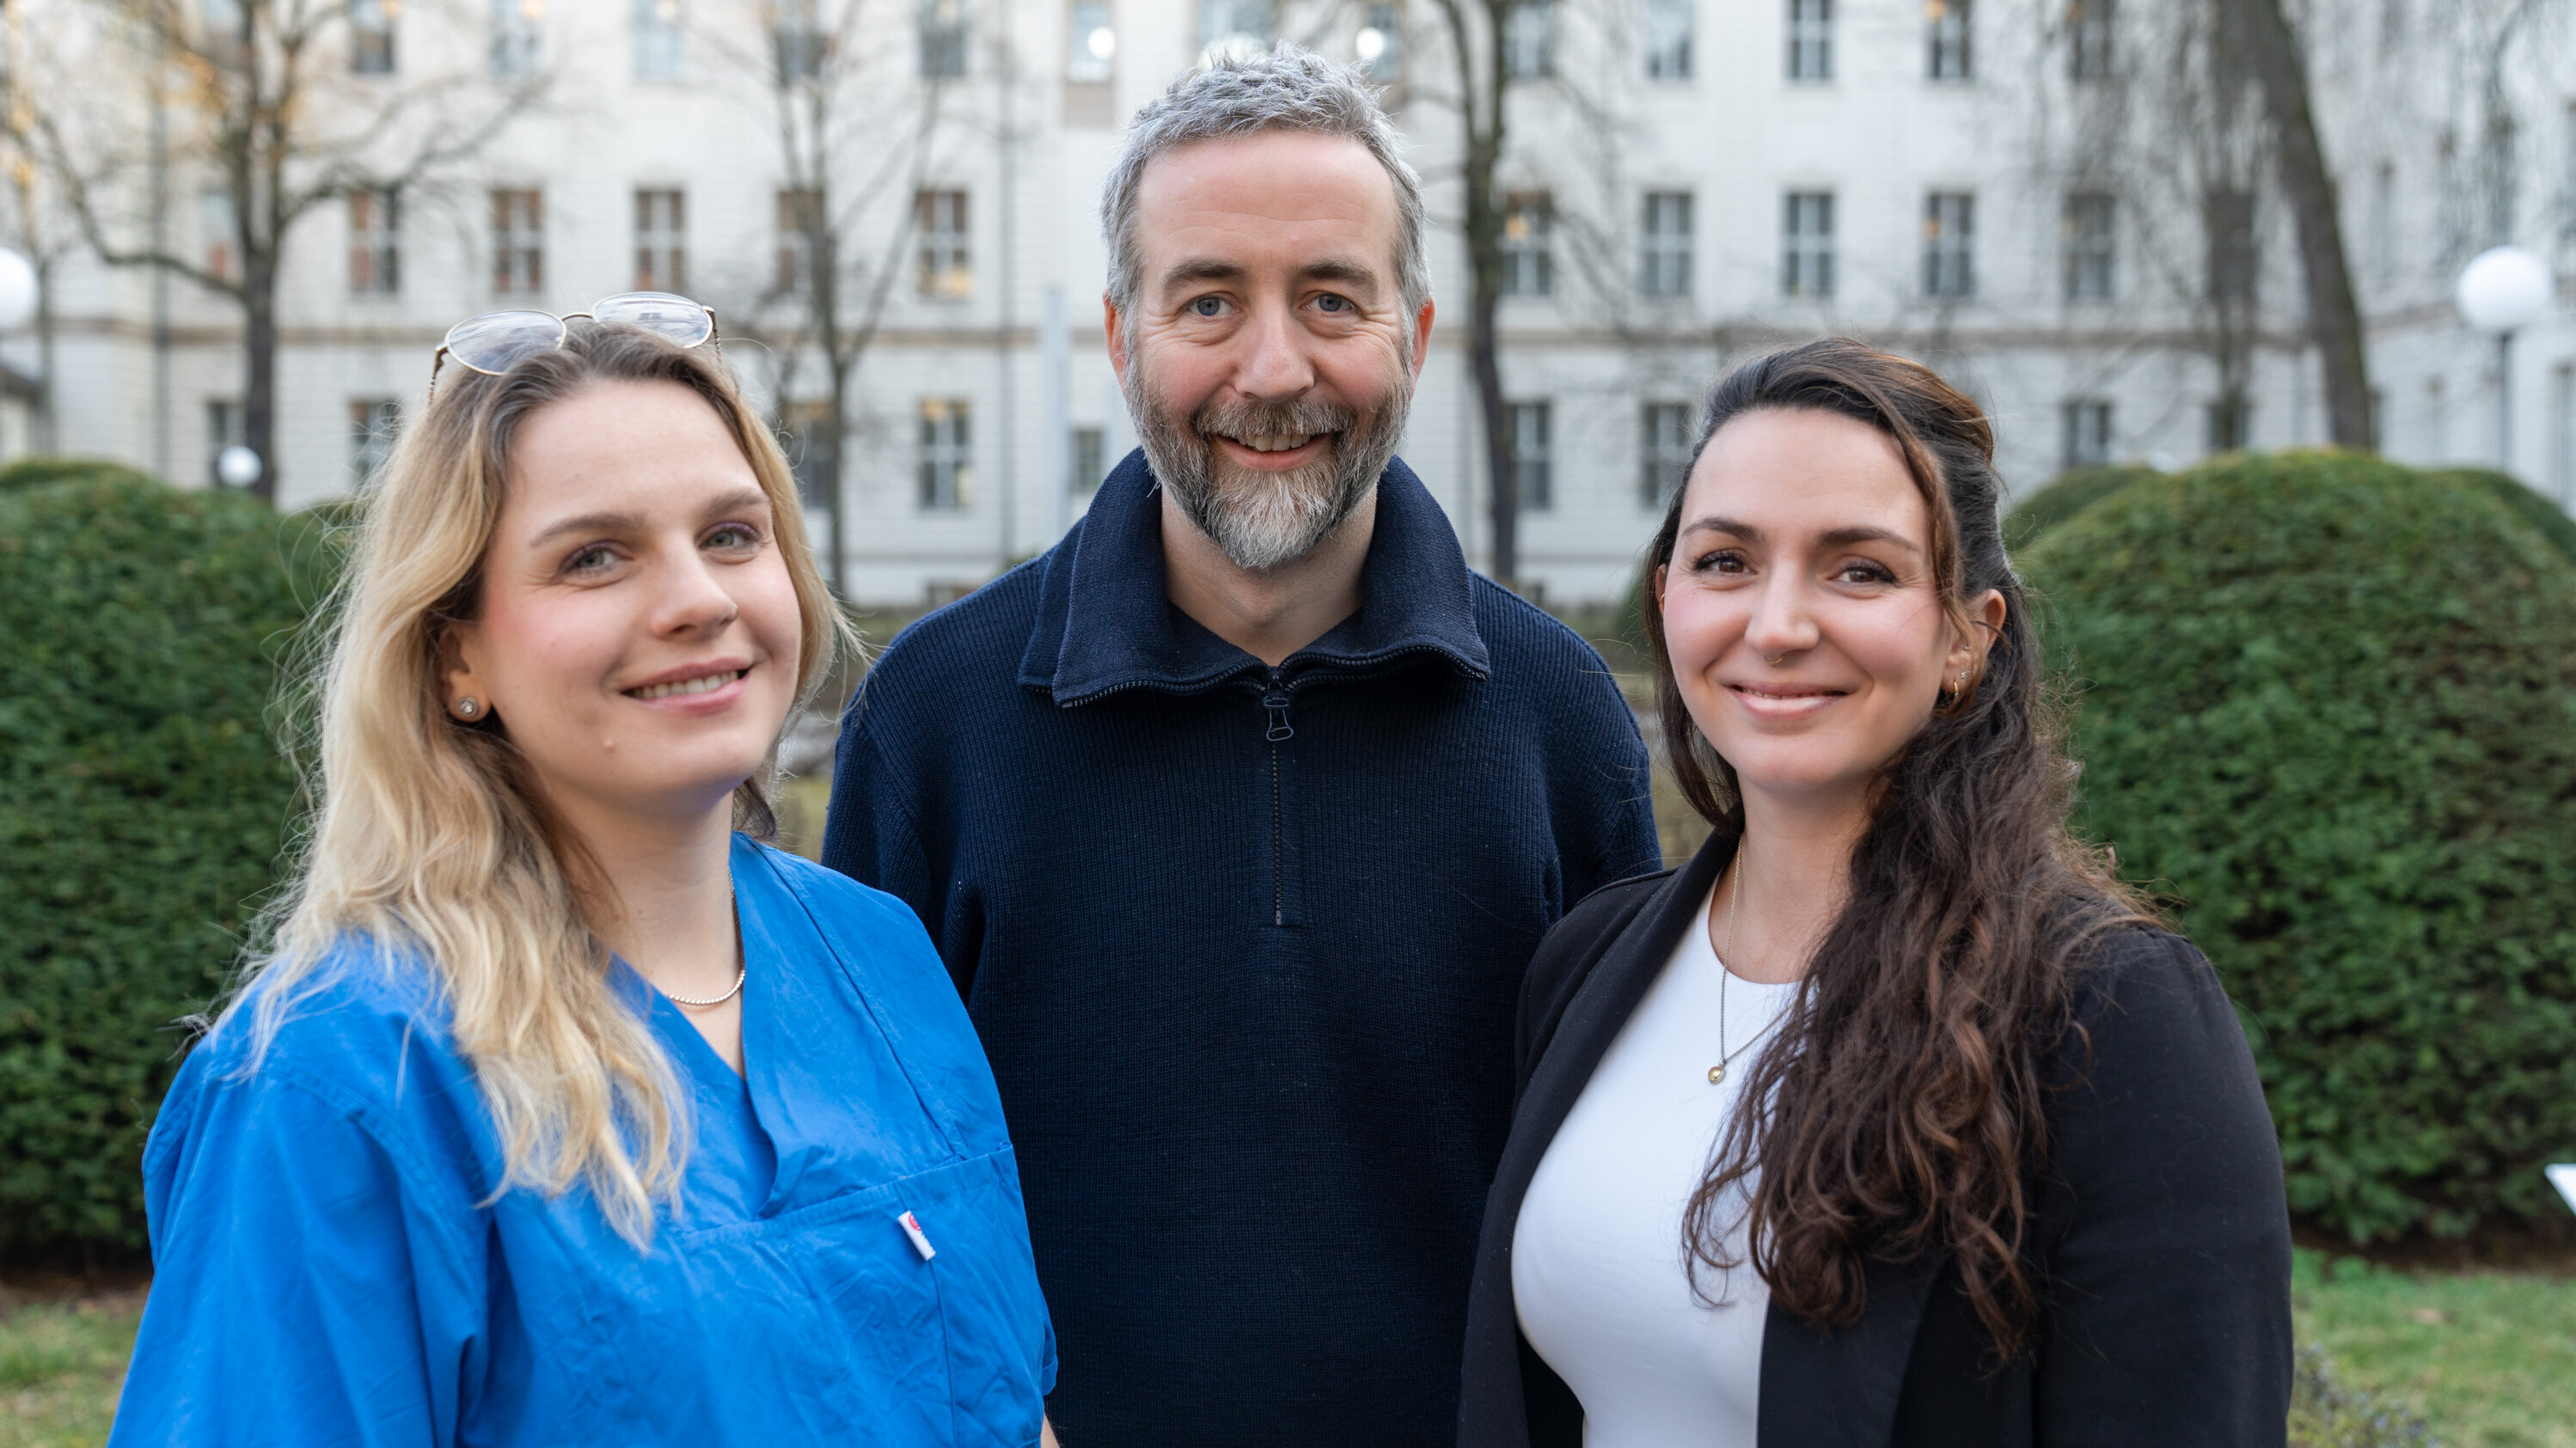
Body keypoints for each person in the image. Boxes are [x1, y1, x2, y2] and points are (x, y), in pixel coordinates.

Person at [823, 49, 1661, 1445]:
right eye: (1207, 300)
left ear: (1415, 331)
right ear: (1119, 334)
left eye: (1331, 298)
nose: (1272, 370)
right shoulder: (934, 721)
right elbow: (861, 1198)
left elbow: (1617, 1196)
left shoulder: (1557, 718)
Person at [112, 303, 1056, 1446]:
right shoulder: (346, 1077)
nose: (699, 599)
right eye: (594, 556)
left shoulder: (878, 958)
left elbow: (1011, 1403)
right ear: (456, 652)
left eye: (731, 535)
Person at [1456, 339, 2293, 1447]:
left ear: (1966, 635)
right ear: (1666, 600)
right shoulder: (1588, 964)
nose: (1779, 624)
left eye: (1861, 570)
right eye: (1725, 562)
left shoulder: (2105, 1017)